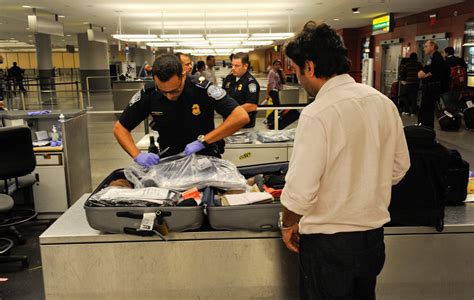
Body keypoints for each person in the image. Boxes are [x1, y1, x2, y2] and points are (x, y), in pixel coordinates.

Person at [280, 21, 410, 299]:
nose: (298, 77)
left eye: (297, 69)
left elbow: (300, 192)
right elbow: (400, 167)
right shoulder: (383, 103)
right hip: (372, 241)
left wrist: (288, 223)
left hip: (328, 246)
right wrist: (364, 183)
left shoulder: (318, 113)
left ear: (310, 67)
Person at [113, 54, 250, 168]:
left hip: (205, 158)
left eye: (174, 90)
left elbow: (240, 117)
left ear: (183, 75)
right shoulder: (149, 93)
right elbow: (120, 128)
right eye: (163, 91)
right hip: (169, 160)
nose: (169, 96)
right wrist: (137, 155)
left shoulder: (202, 89)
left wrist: (204, 141)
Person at [219, 52, 261, 129]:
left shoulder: (250, 83)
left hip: (243, 125)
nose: (233, 68)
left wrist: (231, 111)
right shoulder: (229, 78)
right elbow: (223, 95)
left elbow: (252, 106)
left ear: (245, 66)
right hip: (227, 122)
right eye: (232, 65)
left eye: (237, 66)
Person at [417, 40, 450, 128]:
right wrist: (428, 74)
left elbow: (420, 75)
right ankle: (426, 128)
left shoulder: (434, 59)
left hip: (431, 88)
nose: (424, 49)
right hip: (436, 88)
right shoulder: (439, 57)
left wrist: (426, 75)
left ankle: (424, 128)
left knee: (426, 109)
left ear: (432, 47)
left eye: (426, 46)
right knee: (429, 110)